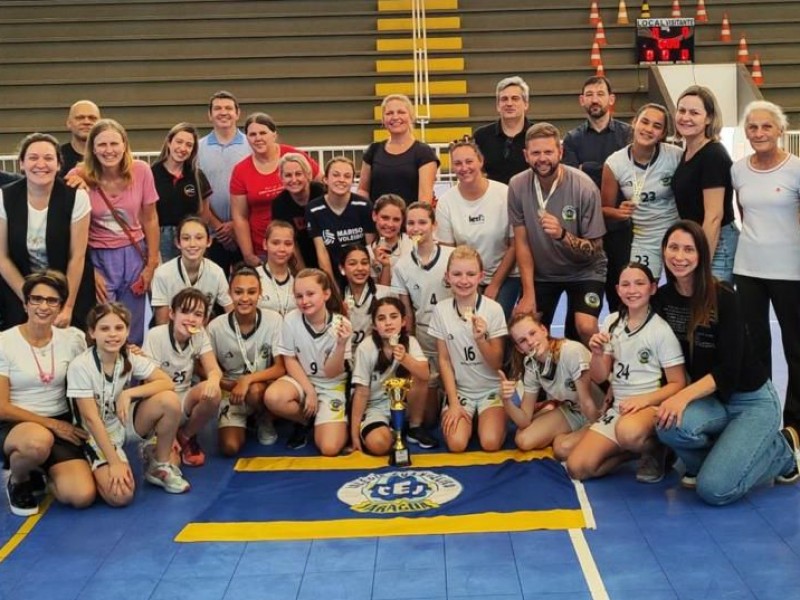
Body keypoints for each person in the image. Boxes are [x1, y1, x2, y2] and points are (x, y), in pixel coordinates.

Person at [655, 220, 800, 505]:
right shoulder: (663, 299)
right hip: (711, 401)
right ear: (663, 251)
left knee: (715, 490)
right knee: (666, 425)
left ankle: (782, 450)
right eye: (673, 248)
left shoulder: (724, 297)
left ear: (701, 256)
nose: (679, 257)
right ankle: (720, 457)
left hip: (749, 401)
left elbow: (728, 370)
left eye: (688, 249)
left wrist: (682, 396)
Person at [567, 263, 685, 482]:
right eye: (626, 284)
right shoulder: (612, 322)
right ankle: (631, 453)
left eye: (639, 283)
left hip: (648, 407)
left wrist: (643, 400)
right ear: (618, 290)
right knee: (577, 467)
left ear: (652, 288)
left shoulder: (661, 330)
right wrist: (597, 353)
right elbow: (600, 376)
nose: (632, 290)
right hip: (619, 408)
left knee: (628, 432)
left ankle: (657, 447)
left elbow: (677, 383)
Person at [69, 302, 190, 502]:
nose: (113, 334)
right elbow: (91, 420)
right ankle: (93, 468)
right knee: (121, 496)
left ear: (127, 331)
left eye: (119, 328)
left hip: (121, 422)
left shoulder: (128, 356)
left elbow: (166, 382)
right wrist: (114, 462)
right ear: (92, 332)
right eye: (104, 328)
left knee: (170, 400)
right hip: (94, 434)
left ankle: (159, 465)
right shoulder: (81, 366)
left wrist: (128, 394)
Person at [0, 271, 95, 516]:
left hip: (61, 423)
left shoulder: (73, 339)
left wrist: (131, 353)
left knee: (81, 496)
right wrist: (50, 424)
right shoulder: (4, 342)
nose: (44, 306)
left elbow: (97, 360)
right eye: (36, 299)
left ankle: (41, 470)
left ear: (61, 306)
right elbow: (1, 407)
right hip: (17, 424)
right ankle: (19, 480)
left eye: (52, 301)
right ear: (25, 303)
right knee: (36, 443)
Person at [732, 101, 800, 432]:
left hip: (791, 272)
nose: (759, 133)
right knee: (755, 348)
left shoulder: (796, 169)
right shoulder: (738, 169)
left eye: (766, 127)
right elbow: (746, 217)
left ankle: (795, 425)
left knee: (795, 348)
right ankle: (763, 416)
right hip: (748, 271)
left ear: (780, 131)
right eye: (753, 127)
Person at [508, 122, 607, 345]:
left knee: (585, 327)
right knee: (525, 327)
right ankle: (538, 377)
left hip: (584, 271)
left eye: (548, 152)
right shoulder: (517, 185)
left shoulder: (584, 187)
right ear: (526, 155)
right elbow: (521, 243)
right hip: (543, 274)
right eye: (535, 153)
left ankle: (596, 379)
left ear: (560, 152)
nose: (542, 158)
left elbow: (594, 249)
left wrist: (562, 235)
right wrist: (528, 292)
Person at [75, 118, 160, 346]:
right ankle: (103, 378)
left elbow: (150, 218)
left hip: (134, 254)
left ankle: (131, 378)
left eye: (114, 144)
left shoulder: (141, 171)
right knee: (102, 323)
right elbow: (72, 226)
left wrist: (151, 265)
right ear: (92, 147)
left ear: (124, 145)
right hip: (98, 257)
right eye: (102, 145)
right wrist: (89, 272)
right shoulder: (80, 174)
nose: (109, 150)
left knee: (131, 324)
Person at [0, 133, 95, 330]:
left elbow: (77, 257)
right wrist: (30, 300)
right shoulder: (4, 197)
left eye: (48, 158)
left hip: (69, 288)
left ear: (59, 164)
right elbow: (2, 258)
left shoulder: (77, 197)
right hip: (20, 288)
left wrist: (65, 306)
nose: (40, 164)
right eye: (33, 158)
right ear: (22, 164)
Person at [563, 76, 632, 313]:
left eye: (600, 94)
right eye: (589, 94)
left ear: (611, 99)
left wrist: (589, 167)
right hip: (587, 230)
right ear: (582, 100)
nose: (595, 99)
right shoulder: (572, 138)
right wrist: (613, 168)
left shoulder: (627, 135)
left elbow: (631, 171)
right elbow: (573, 177)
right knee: (584, 304)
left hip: (621, 229)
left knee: (622, 296)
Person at [430, 245, 508, 452]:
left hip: (490, 389)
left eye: (470, 274)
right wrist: (454, 402)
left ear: (481, 276)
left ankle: (487, 418)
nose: (464, 280)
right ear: (447, 277)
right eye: (457, 274)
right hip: (462, 390)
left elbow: (497, 363)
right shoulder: (441, 310)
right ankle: (458, 412)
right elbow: (444, 360)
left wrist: (481, 339)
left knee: (490, 443)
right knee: (457, 444)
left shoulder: (493, 309)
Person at [265, 269, 351, 455]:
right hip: (302, 379)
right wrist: (309, 390)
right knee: (273, 397)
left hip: (331, 384)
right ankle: (306, 421)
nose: (304, 301)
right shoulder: (290, 320)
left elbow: (331, 372)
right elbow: (289, 358)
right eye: (299, 296)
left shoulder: (341, 324)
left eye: (310, 294)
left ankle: (334, 419)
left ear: (326, 294)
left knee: (330, 448)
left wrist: (341, 344)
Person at [499, 312, 603, 457]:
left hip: (599, 411)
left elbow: (588, 403)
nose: (530, 341)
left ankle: (556, 422)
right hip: (574, 410)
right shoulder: (531, 365)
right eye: (522, 340)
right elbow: (524, 420)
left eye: (532, 333)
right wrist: (506, 400)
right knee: (523, 440)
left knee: (562, 448)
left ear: (544, 330)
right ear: (519, 349)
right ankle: (551, 412)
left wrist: (601, 433)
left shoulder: (570, 352)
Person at [437, 137, 518, 319]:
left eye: (469, 161)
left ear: (480, 161)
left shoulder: (504, 194)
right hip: (467, 278)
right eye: (457, 163)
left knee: (493, 322)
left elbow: (515, 245)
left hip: (505, 276)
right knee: (467, 323)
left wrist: (494, 285)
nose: (464, 168)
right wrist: (464, 281)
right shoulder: (446, 202)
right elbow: (448, 251)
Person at [207, 265, 285, 456]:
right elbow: (203, 368)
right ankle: (244, 420)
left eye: (252, 292)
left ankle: (263, 417)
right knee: (229, 448)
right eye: (238, 292)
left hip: (260, 386)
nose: (245, 298)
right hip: (231, 390)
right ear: (229, 293)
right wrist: (227, 384)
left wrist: (247, 380)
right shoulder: (216, 326)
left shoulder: (274, 320)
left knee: (255, 391)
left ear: (260, 293)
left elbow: (280, 368)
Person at [143, 288, 224, 467]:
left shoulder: (200, 335)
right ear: (172, 313)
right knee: (173, 465)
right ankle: (161, 436)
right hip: (160, 401)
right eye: (185, 311)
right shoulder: (156, 336)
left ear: (204, 320)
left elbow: (214, 369)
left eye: (197, 314)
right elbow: (148, 381)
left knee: (214, 392)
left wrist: (213, 380)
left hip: (183, 398)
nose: (191, 319)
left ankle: (186, 435)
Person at [391, 202, 454, 429]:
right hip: (426, 337)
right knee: (427, 419)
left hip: (452, 335)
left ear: (434, 225)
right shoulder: (402, 265)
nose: (416, 228)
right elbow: (406, 311)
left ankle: (452, 400)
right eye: (411, 223)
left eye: (422, 222)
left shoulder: (451, 256)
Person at [601, 103, 681, 279]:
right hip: (643, 239)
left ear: (663, 134)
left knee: (683, 289)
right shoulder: (615, 163)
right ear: (634, 123)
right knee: (640, 288)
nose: (649, 129)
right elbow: (604, 209)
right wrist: (618, 212)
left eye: (657, 126)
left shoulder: (676, 156)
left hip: (676, 235)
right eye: (644, 122)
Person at [230, 112, 319, 268]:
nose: (258, 138)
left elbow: (320, 186)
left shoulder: (294, 155)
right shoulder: (241, 170)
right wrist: (248, 254)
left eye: (263, 132)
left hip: (306, 240)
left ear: (274, 135)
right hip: (264, 247)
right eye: (252, 134)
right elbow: (240, 216)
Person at [671, 85, 738, 283]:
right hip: (695, 239)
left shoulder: (713, 155)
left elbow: (714, 217)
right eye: (681, 110)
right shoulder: (687, 152)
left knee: (711, 308)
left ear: (708, 118)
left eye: (694, 113)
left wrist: (701, 260)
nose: (685, 117)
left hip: (716, 242)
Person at [351, 297, 434, 454]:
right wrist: (354, 434)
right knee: (379, 445)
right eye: (381, 318)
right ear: (374, 326)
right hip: (375, 407)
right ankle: (390, 433)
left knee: (419, 373)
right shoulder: (366, 347)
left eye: (394, 317)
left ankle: (415, 427)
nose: (388, 322)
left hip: (405, 404)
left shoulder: (410, 342)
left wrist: (405, 359)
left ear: (403, 321)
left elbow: (425, 374)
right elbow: (361, 393)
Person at [198, 91, 250, 274]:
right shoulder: (198, 148)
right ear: (210, 115)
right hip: (213, 233)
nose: (223, 112)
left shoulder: (251, 144)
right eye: (217, 108)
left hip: (246, 232)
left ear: (238, 113)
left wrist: (236, 224)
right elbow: (198, 192)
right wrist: (218, 226)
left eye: (228, 108)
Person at [307, 157, 376, 287]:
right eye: (336, 175)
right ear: (326, 179)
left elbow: (370, 249)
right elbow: (322, 253)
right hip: (333, 277)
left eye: (347, 176)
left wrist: (368, 285)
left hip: (361, 276)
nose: (341, 180)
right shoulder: (314, 209)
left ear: (352, 181)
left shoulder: (364, 205)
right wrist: (333, 289)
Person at [357, 94, 439, 204]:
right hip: (378, 220)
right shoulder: (373, 150)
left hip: (410, 220)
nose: (395, 117)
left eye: (401, 112)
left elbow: (424, 199)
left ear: (411, 116)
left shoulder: (424, 153)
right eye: (389, 113)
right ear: (383, 119)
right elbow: (363, 190)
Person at [150, 216, 233, 325]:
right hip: (171, 335)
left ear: (209, 241)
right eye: (186, 238)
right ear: (177, 243)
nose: (192, 244)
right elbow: (162, 323)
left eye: (199, 238)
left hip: (202, 335)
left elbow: (231, 313)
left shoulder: (216, 272)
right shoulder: (162, 274)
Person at [151, 123, 212, 262]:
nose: (183, 148)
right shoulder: (151, 174)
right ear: (169, 142)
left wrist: (197, 238)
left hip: (190, 239)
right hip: (161, 240)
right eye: (179, 142)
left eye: (189, 145)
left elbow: (205, 214)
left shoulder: (197, 176)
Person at [473, 76, 533, 184]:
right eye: (504, 99)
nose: (509, 104)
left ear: (526, 104)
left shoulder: (538, 135)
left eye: (515, 98)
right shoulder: (481, 136)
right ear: (498, 105)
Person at [271, 153, 325, 269]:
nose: (294, 180)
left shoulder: (322, 193)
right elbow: (291, 243)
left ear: (308, 175)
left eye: (298, 174)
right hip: (302, 255)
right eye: (288, 175)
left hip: (328, 252)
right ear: (281, 178)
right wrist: (303, 275)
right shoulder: (279, 204)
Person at [340, 244, 391, 349]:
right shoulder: (337, 299)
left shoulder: (384, 294)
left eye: (364, 263)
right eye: (352, 263)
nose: (360, 268)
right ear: (342, 268)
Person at [368, 194, 412, 286]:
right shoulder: (368, 253)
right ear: (374, 216)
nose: (390, 224)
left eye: (396, 220)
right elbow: (381, 293)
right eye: (385, 218)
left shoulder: (413, 244)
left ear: (402, 221)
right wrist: (385, 266)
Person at [256, 220, 296, 317]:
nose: (282, 249)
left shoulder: (299, 279)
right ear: (265, 244)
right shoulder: (253, 276)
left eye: (288, 244)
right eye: (275, 243)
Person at [59, 100, 101, 177]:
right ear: (69, 123)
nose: (86, 122)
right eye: (80, 118)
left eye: (92, 118)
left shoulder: (110, 156)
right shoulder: (57, 157)